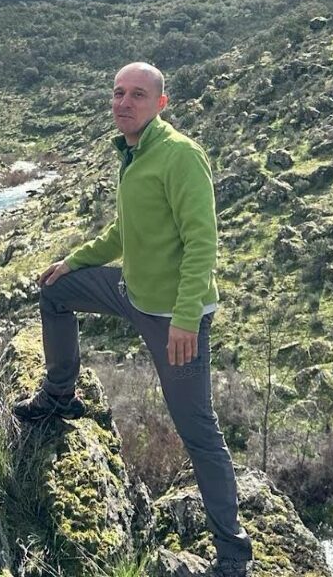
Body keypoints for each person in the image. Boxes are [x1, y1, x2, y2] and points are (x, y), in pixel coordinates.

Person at [13, 62, 254, 577]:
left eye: (138, 95)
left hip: (173, 316)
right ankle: (59, 396)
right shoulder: (131, 153)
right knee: (55, 292)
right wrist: (74, 261)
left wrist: (188, 318)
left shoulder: (180, 156)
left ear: (161, 103)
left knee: (198, 431)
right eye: (118, 93)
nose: (124, 102)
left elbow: (202, 243)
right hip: (131, 290)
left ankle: (233, 555)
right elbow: (124, 232)